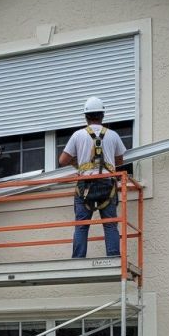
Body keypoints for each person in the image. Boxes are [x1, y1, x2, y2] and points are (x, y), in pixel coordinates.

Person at [58, 97, 126, 258]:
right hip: (107, 184)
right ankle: (113, 257)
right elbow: (120, 161)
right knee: (110, 225)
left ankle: (78, 260)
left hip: (85, 185)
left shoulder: (77, 135)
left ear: (86, 116)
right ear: (102, 115)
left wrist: (79, 164)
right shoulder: (113, 135)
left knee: (82, 225)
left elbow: (62, 161)